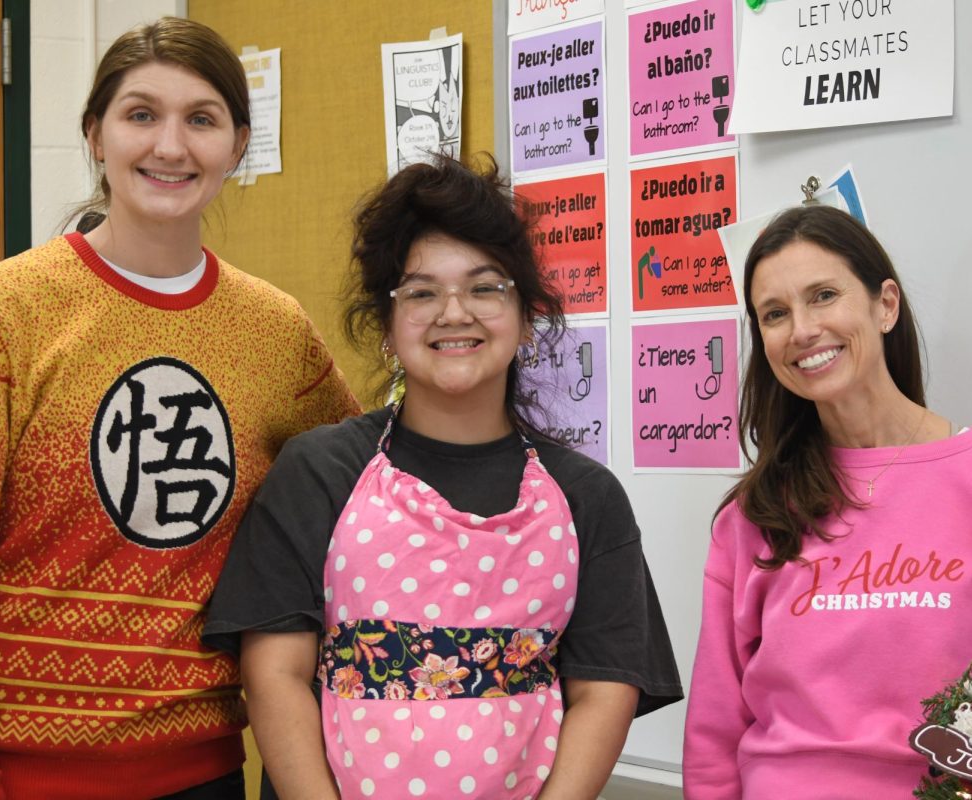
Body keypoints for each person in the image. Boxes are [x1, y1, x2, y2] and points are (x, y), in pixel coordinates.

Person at [0, 18, 359, 800]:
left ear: (235, 144)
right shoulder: (3, 310)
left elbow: (365, 492)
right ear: (95, 135)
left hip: (208, 771)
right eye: (141, 114)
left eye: (201, 119)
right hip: (18, 778)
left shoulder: (276, 331)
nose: (170, 146)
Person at [203, 155, 682, 799]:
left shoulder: (587, 498)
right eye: (422, 292)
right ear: (386, 323)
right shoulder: (319, 473)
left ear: (526, 314)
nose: (454, 312)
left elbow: (604, 687)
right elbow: (275, 674)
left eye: (485, 288)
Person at [682, 205, 972, 799]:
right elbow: (715, 729)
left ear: (885, 306)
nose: (801, 329)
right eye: (775, 314)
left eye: (823, 295)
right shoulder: (754, 514)